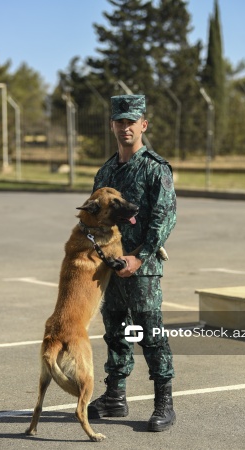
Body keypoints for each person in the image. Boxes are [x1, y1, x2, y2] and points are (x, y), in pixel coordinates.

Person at [87, 94, 177, 432]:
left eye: (131, 121)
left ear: (143, 125)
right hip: (110, 268)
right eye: (120, 121)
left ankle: (163, 404)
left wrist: (139, 257)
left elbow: (165, 217)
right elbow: (95, 217)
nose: (126, 127)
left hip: (142, 269)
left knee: (150, 335)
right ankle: (115, 397)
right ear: (113, 125)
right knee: (115, 333)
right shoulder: (106, 170)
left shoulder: (155, 168)